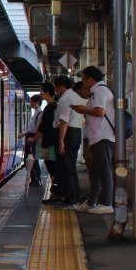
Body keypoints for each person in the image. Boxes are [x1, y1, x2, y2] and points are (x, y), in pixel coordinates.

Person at [73, 66, 115, 215]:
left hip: (103, 136)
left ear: (90, 79)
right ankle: (92, 202)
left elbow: (99, 112)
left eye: (83, 78)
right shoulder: (95, 92)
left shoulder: (100, 90)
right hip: (97, 137)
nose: (82, 81)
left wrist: (81, 110)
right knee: (96, 171)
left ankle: (106, 203)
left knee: (104, 170)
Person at [53, 75, 86, 208]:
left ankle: (72, 199)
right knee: (70, 166)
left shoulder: (65, 98)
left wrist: (61, 141)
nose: (56, 91)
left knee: (67, 166)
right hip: (76, 132)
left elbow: (64, 121)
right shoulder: (75, 96)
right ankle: (74, 196)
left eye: (56, 88)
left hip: (68, 133)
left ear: (61, 86)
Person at [37, 83, 62, 202]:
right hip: (50, 141)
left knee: (52, 168)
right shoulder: (53, 106)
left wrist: (35, 138)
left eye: (41, 91)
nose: (40, 94)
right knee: (53, 167)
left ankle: (56, 194)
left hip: (49, 142)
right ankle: (55, 193)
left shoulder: (50, 107)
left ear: (47, 92)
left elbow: (45, 126)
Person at [20, 94, 44, 187]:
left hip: (32, 138)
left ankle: (36, 180)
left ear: (36, 102)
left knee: (31, 159)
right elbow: (32, 127)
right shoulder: (36, 113)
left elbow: (37, 129)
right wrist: (24, 134)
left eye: (31, 101)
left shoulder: (40, 113)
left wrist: (32, 138)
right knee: (32, 159)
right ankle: (35, 179)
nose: (30, 103)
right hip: (30, 137)